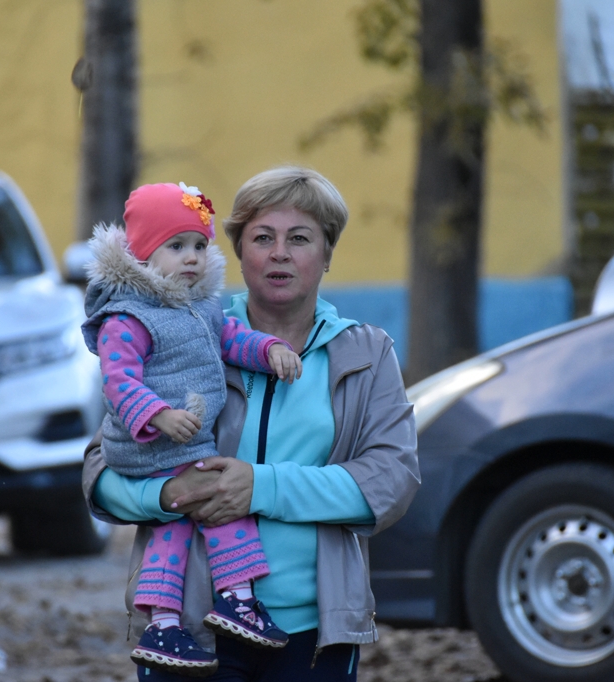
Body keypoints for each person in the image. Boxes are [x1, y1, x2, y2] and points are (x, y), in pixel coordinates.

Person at [82, 166, 420, 681]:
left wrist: (261, 487)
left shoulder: (366, 353)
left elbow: (391, 481)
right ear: (239, 252)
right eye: (263, 238)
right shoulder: (181, 329)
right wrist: (167, 494)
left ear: (328, 253)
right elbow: (100, 471)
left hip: (313, 631)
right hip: (190, 630)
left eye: (299, 238)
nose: (280, 253)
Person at [81, 182, 303, 676]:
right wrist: (157, 414)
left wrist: (269, 349)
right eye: (176, 246)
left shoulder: (200, 307)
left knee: (175, 526)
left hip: (183, 437)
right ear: (142, 252)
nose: (191, 258)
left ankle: (163, 624)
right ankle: (238, 599)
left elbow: (233, 338)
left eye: (200, 246)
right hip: (145, 441)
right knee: (222, 504)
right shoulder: (127, 317)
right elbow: (117, 381)